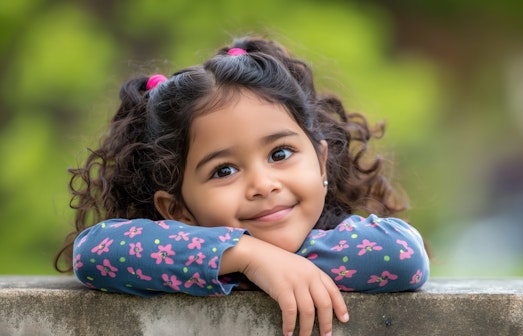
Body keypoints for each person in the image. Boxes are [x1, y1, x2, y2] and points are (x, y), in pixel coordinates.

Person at [55, 36, 429, 336]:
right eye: (223, 170)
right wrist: (248, 257)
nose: (263, 185)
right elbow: (95, 251)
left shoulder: (348, 244)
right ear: (177, 210)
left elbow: (403, 255)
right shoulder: (208, 253)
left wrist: (264, 263)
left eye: (280, 153)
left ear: (320, 162)